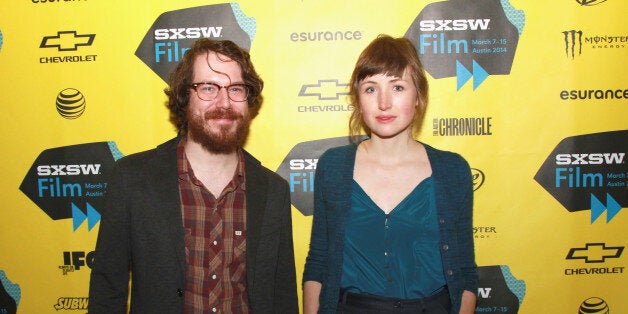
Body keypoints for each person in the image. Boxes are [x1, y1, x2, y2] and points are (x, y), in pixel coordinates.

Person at [88, 38, 298, 313]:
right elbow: (107, 289)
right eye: (209, 88)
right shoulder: (132, 179)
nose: (224, 102)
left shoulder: (273, 190)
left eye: (236, 89)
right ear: (185, 96)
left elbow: (282, 296)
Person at [302, 35, 478, 314]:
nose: (384, 103)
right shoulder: (333, 167)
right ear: (358, 100)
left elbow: (466, 271)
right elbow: (319, 262)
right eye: (371, 89)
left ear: (419, 97)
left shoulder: (452, 170)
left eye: (397, 87)